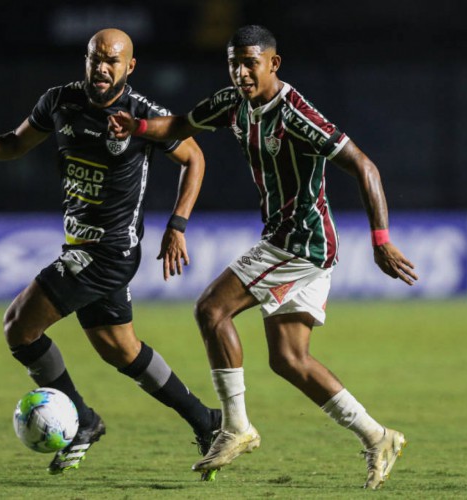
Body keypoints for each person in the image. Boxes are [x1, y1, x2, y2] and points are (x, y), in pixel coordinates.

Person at [109, 24, 419, 489]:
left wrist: (380, 238)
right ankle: (378, 437)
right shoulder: (233, 102)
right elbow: (179, 126)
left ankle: (235, 426)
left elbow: (364, 164)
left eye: (250, 62)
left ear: (273, 63)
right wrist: (135, 126)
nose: (240, 72)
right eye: (233, 62)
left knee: (212, 309)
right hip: (289, 238)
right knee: (289, 359)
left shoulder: (295, 112)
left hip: (300, 242)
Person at [0, 28, 220, 477]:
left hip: (109, 251)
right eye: (96, 58)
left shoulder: (143, 115)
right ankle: (206, 421)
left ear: (129, 68)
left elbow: (195, 158)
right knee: (121, 350)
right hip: (82, 245)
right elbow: (17, 143)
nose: (102, 67)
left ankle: (83, 421)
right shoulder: (60, 102)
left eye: (112, 61)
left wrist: (177, 225)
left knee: (18, 326)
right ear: (86, 60)